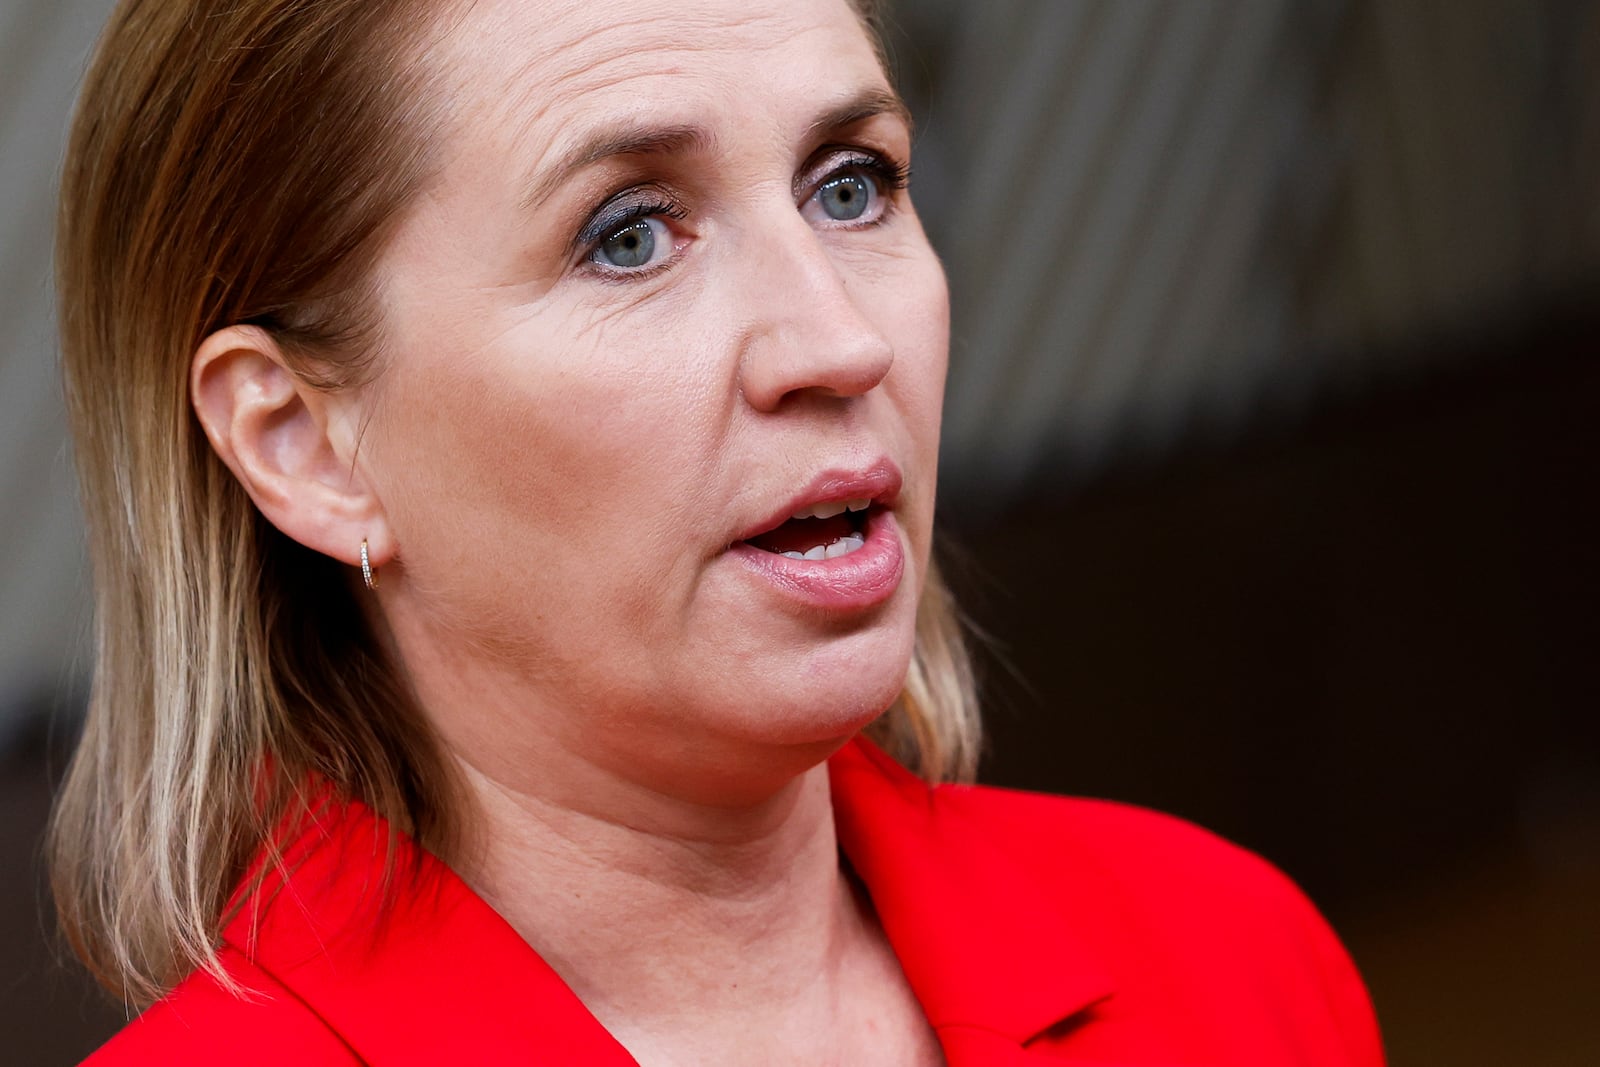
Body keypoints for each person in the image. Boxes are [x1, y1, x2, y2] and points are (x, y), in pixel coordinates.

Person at [49, 0, 1386, 1063]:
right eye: (630, 236)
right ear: (303, 445)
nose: (839, 341)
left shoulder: (1227, 960)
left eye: (851, 185)